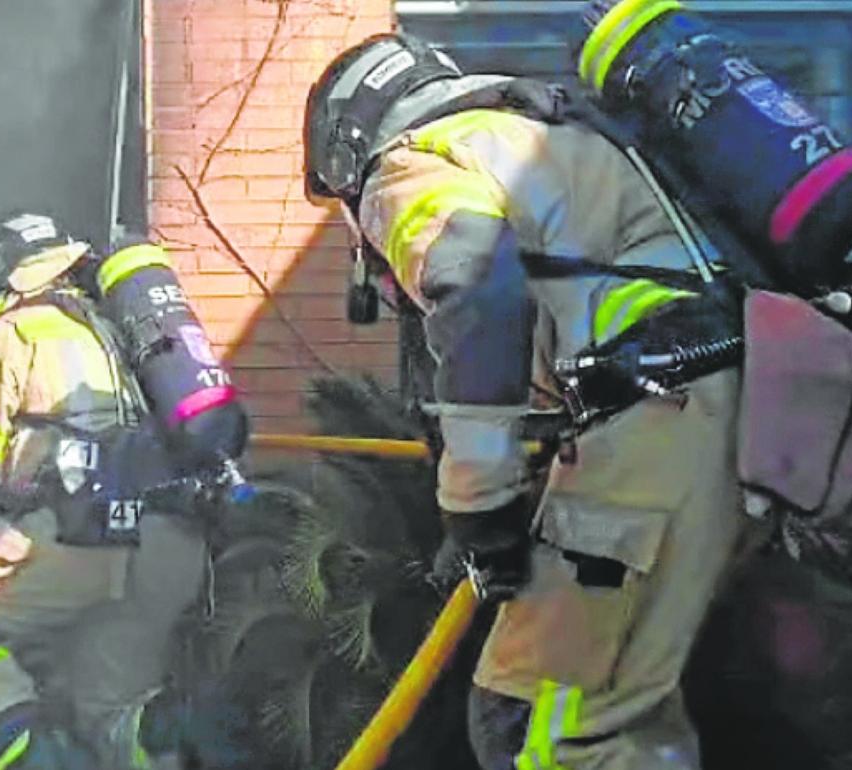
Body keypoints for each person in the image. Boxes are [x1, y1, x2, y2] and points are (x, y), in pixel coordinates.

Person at [303, 33, 772, 770]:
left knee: (541, 727)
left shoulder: (410, 164)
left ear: (347, 150)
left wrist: (478, 505)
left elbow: (472, 285)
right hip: (730, 408)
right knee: (623, 720)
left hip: (655, 420)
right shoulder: (548, 135)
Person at [0, 211, 213, 770]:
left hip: (75, 543)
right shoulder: (125, 327)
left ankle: (24, 749)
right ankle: (162, 744)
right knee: (106, 701)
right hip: (167, 549)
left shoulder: (16, 331)